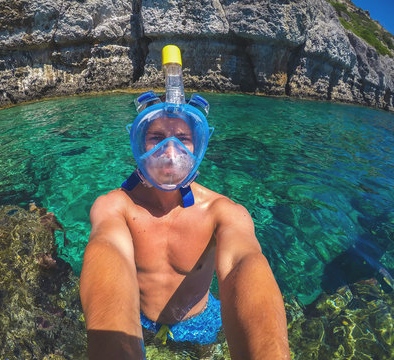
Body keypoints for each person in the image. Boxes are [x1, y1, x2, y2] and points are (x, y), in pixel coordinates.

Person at [80, 46, 290, 359]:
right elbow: (106, 253)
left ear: (199, 147)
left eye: (183, 139)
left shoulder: (223, 212)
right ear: (138, 144)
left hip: (201, 322)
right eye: (156, 138)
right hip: (136, 321)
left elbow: (243, 263)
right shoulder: (114, 207)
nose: (170, 151)